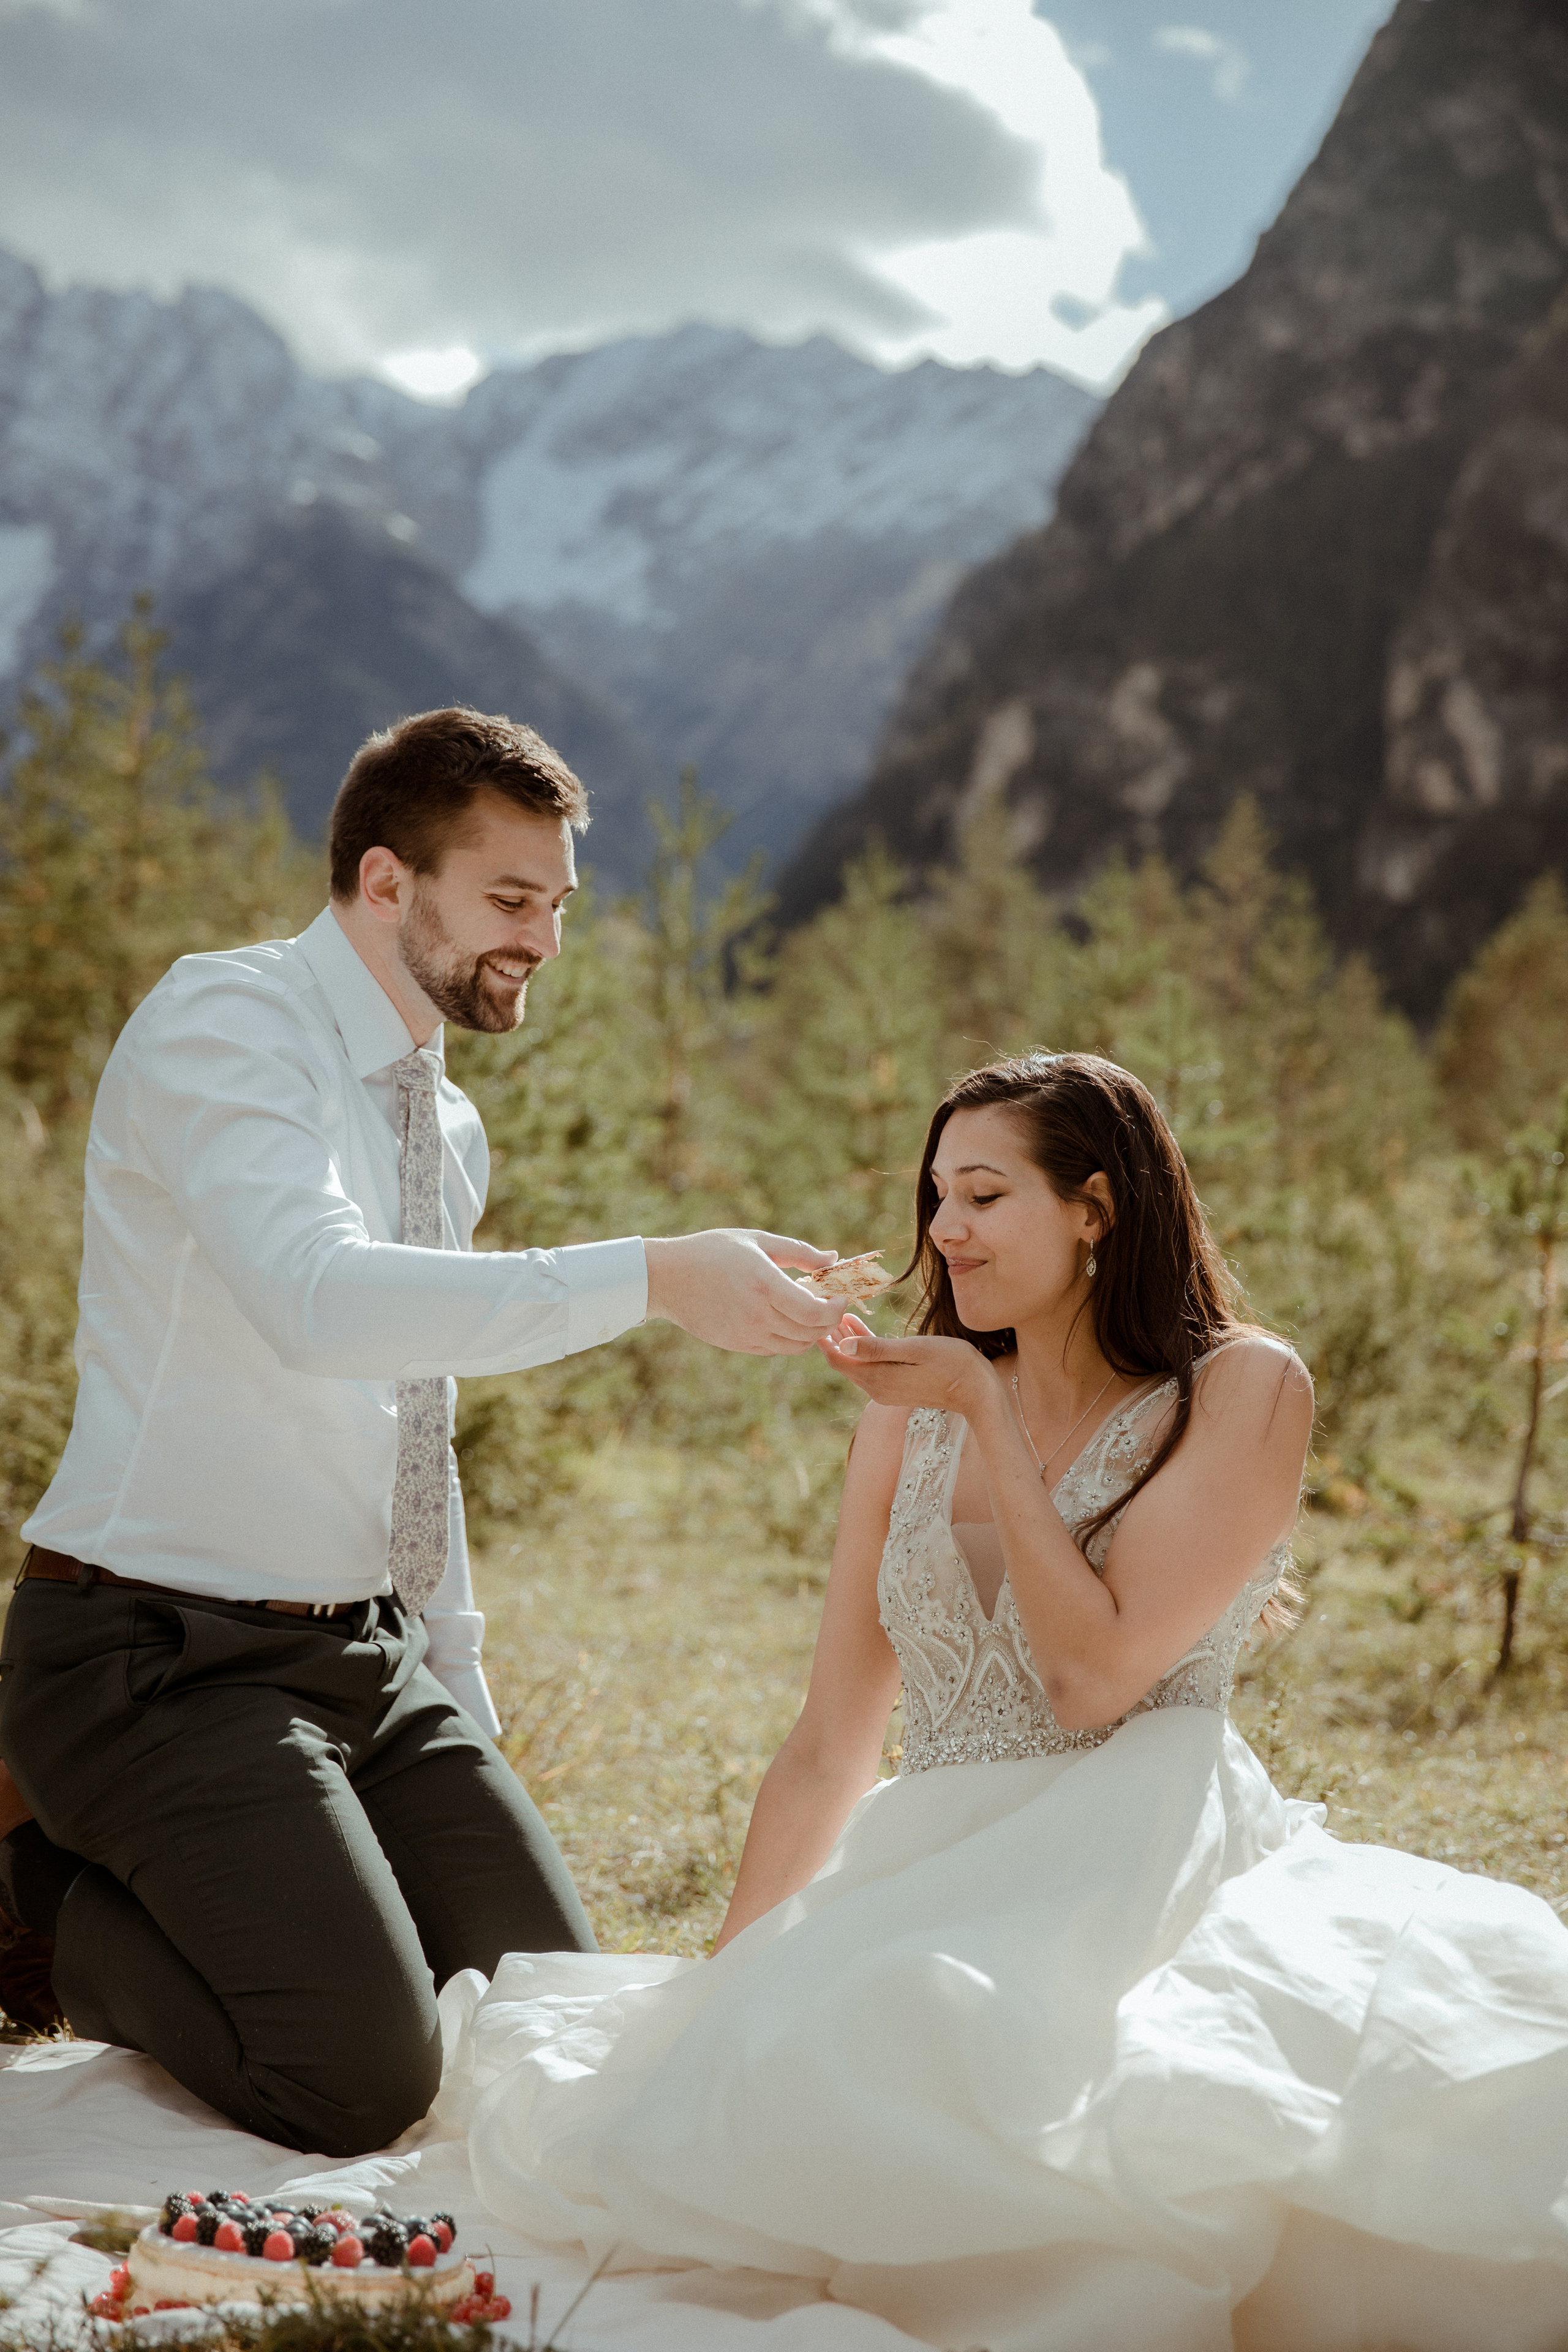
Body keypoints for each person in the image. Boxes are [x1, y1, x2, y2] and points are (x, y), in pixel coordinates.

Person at [453, 1053, 1568, 2352]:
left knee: (1008, 2058)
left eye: (983, 1195)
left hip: (1138, 1846)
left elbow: (1089, 1677)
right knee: (796, 2064)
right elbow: (829, 1744)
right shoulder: (901, 1421)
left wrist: (982, 1408)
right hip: (929, 1852)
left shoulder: (1239, 1390)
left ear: (1093, 1208)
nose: (942, 1230)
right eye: (936, 1196)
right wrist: (718, 1998)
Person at [0, 706, 842, 2154]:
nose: (545, 941)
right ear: (385, 883)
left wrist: (455, 1676)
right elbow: (318, 1303)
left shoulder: (442, 1125)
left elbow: (410, 1409)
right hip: (155, 1655)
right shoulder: (228, 1022)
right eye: (511, 900)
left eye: (559, 905)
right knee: (361, 2080)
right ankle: (34, 1900)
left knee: (545, 2015)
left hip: (367, 1662)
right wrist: (655, 1273)